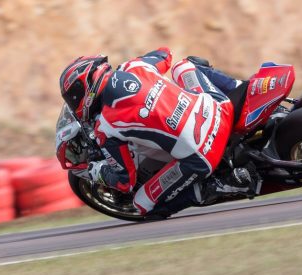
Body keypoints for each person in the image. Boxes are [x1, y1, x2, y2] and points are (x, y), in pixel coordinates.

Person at [57, 47, 255, 217]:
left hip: (204, 152)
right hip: (219, 107)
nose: (74, 105)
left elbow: (125, 182)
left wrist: (95, 171)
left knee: (143, 205)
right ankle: (244, 90)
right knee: (184, 66)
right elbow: (165, 54)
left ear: (85, 90)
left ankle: (226, 184)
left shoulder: (106, 126)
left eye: (74, 98)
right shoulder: (134, 66)